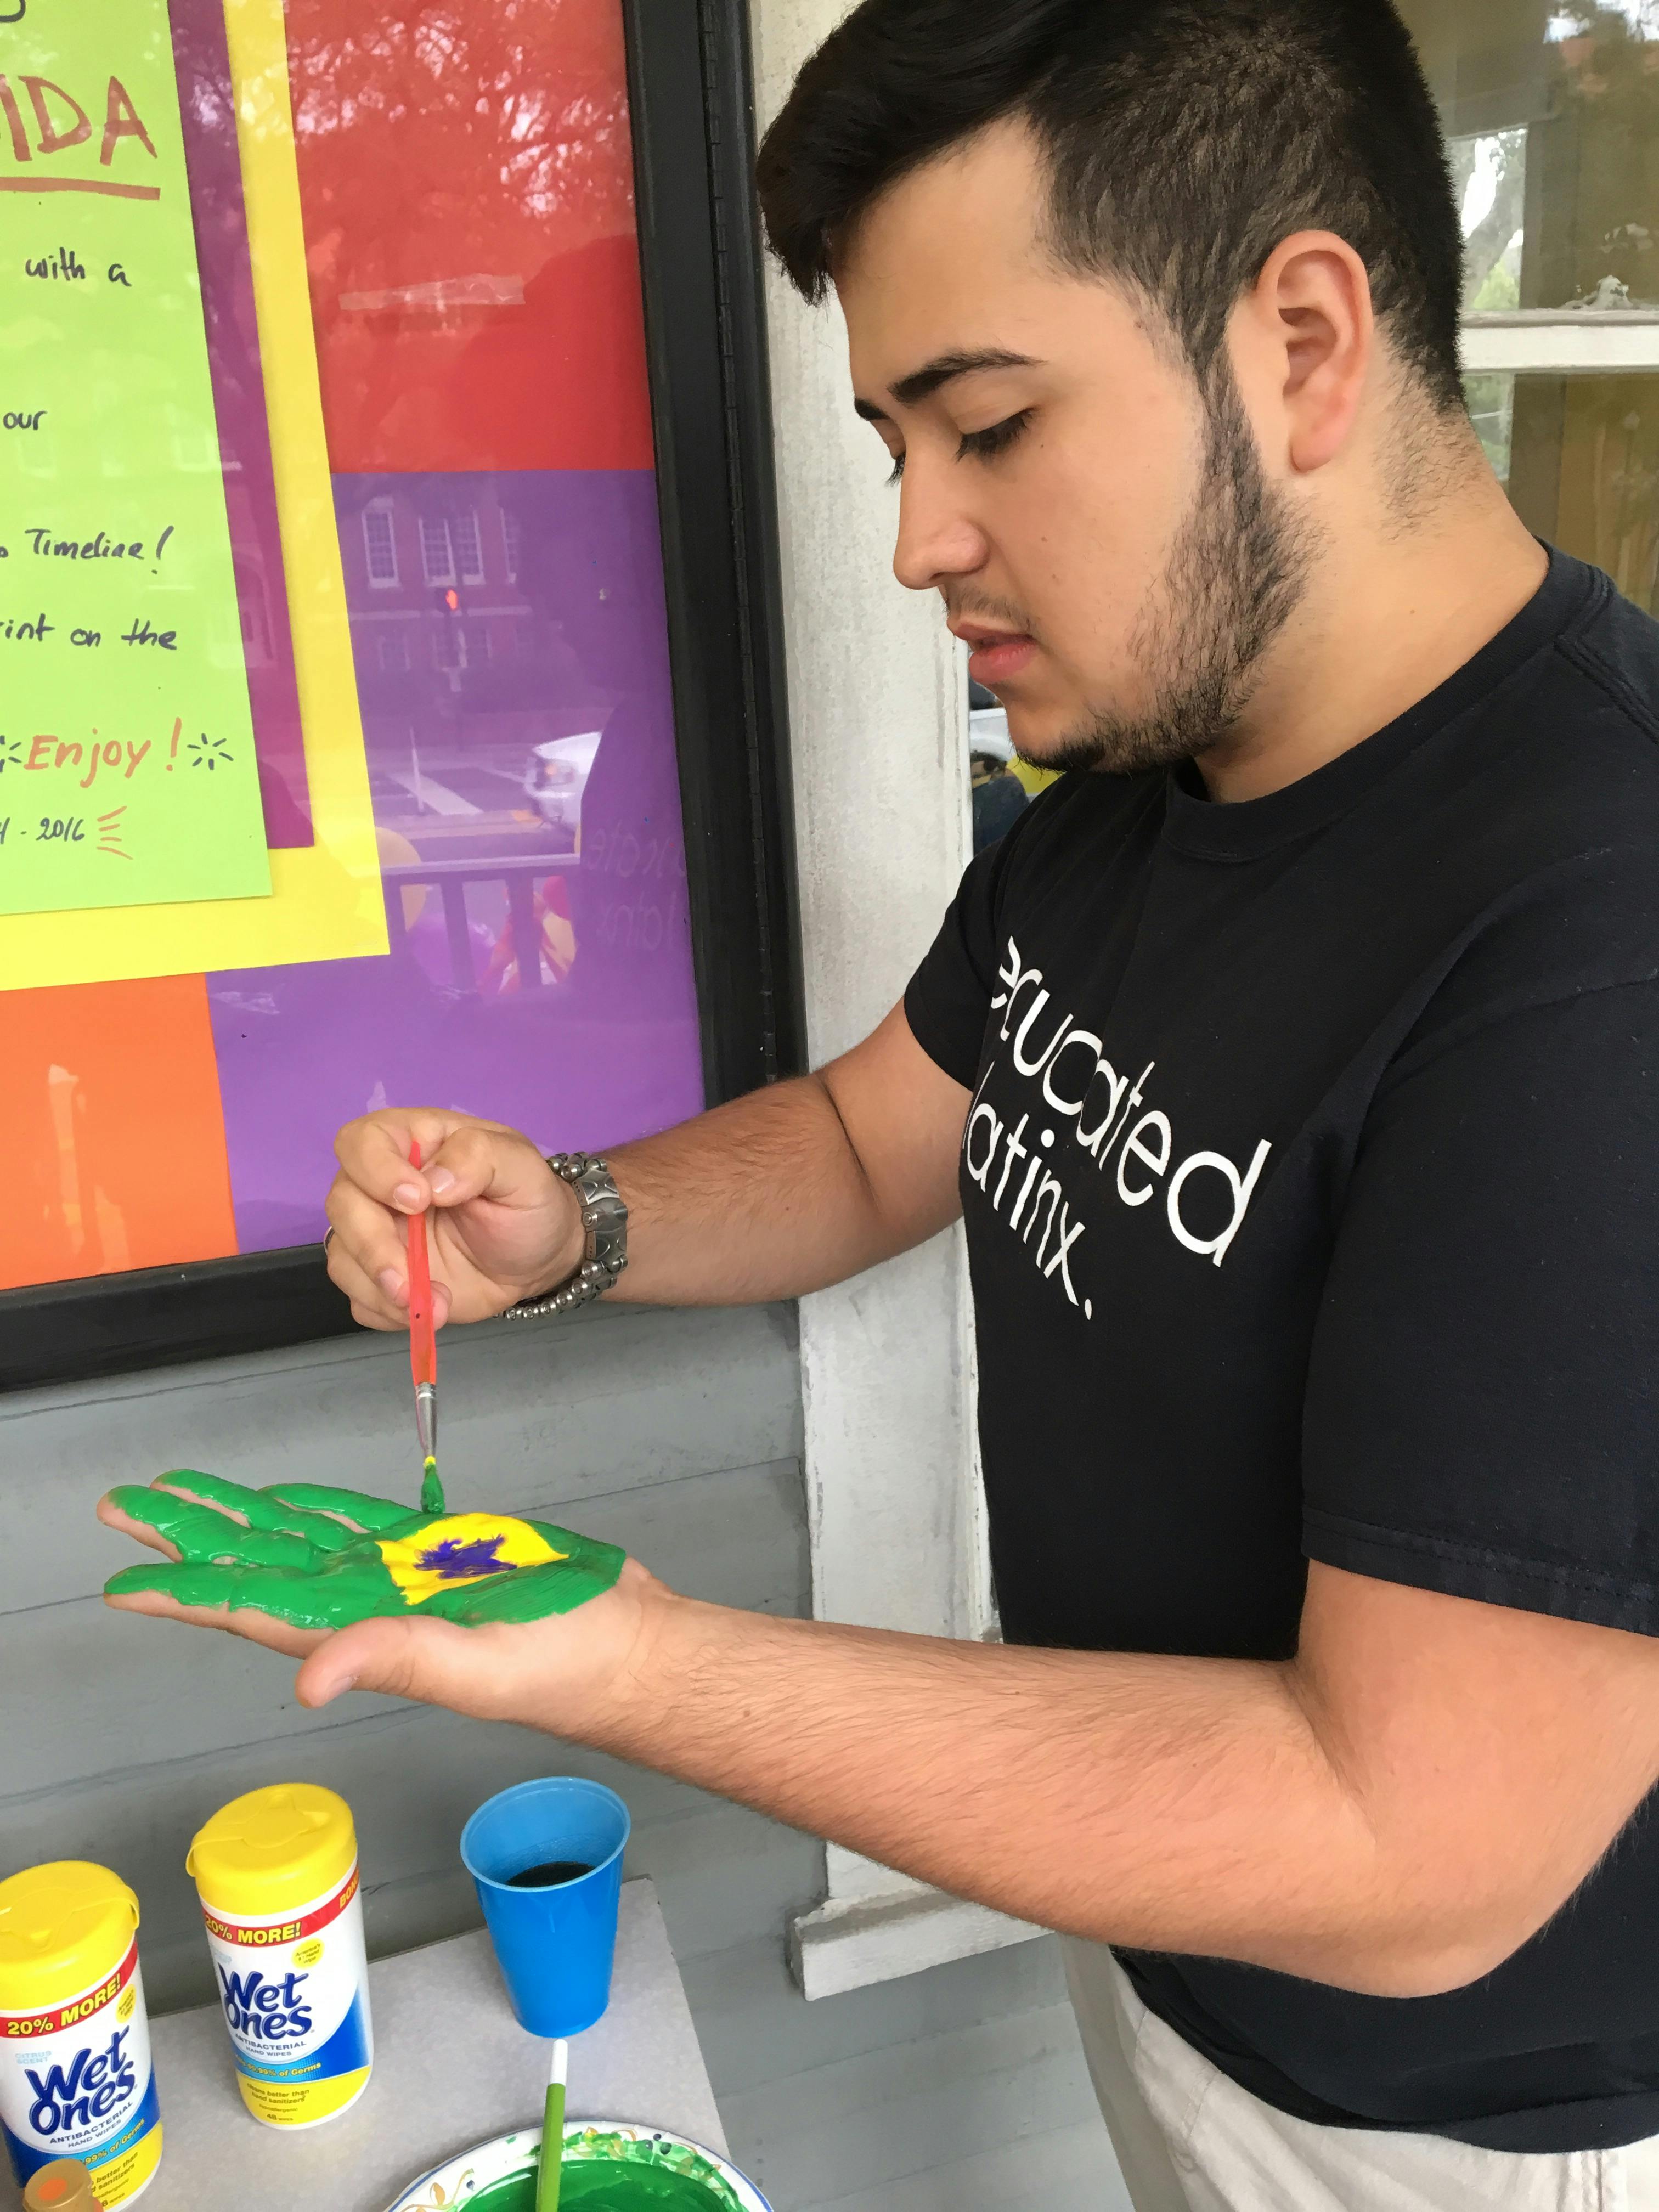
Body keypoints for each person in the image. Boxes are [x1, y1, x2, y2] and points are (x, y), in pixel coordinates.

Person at [104, 2, 1659, 2202]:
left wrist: (627, 1658)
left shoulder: (1595, 927)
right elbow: (872, 1137)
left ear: (1306, 341)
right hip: (1157, 1942)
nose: (921, 538)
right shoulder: (1129, 780)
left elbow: (1414, 1844)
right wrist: (576, 1217)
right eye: (890, 446)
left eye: (991, 425)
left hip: (1450, 2122)